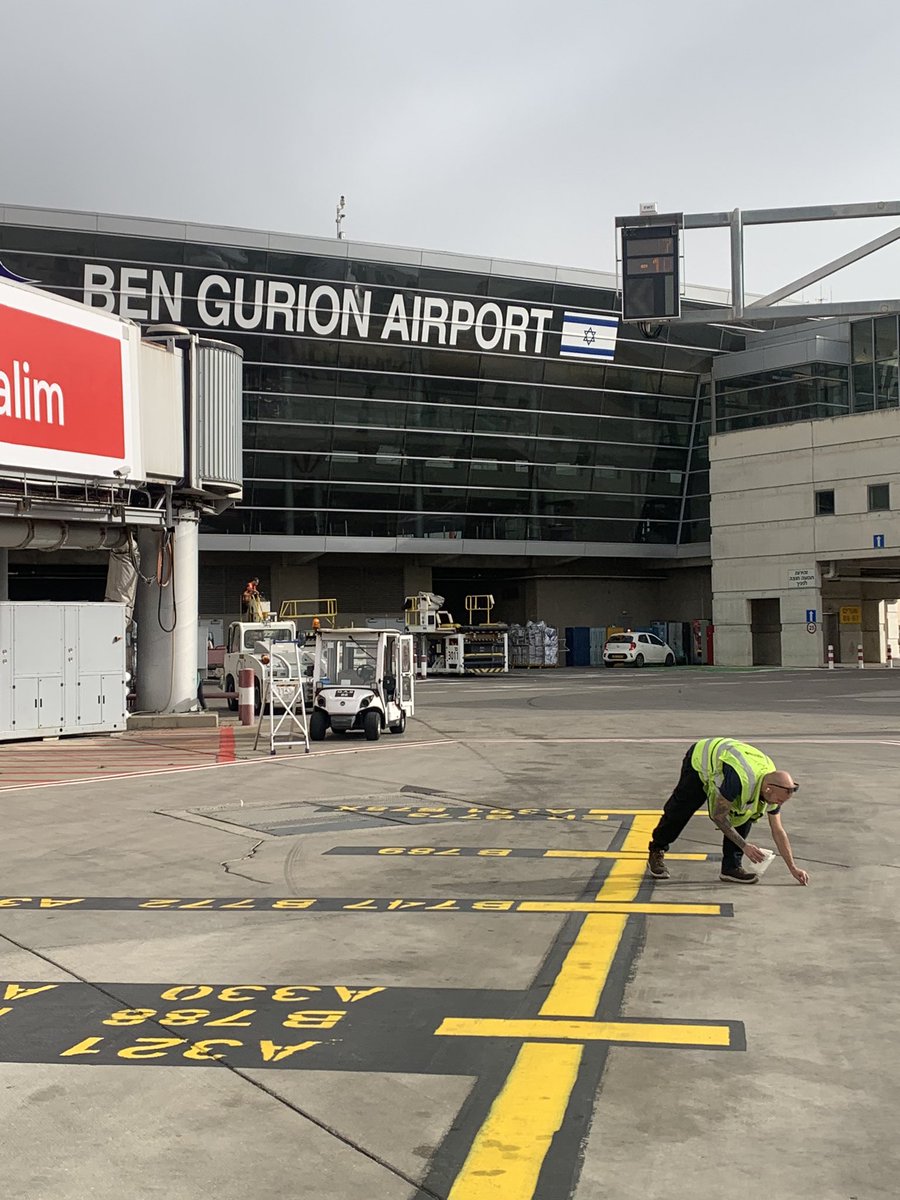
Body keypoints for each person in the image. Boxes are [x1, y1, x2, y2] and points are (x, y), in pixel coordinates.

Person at [647, 738, 809, 886]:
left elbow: (778, 831)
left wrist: (793, 868)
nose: (779, 804)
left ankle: (731, 867)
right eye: (779, 800)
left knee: (746, 811)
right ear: (768, 789)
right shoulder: (740, 780)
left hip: (731, 762)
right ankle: (657, 849)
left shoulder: (772, 786)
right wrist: (744, 846)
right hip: (701, 760)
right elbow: (717, 816)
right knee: (682, 808)